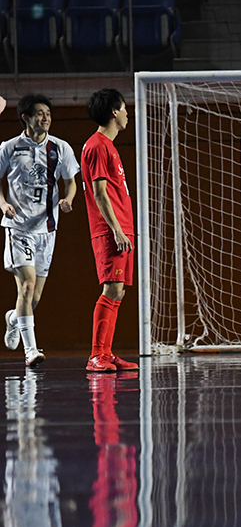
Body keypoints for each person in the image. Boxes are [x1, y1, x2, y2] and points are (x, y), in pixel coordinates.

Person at [0, 94, 80, 367]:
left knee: (32, 299)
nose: (45, 118)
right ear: (26, 118)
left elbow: (71, 182)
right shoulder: (10, 147)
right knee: (27, 285)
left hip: (47, 228)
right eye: (39, 113)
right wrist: (3, 204)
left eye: (48, 113)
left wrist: (69, 199)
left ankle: (13, 319)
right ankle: (31, 351)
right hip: (19, 227)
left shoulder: (60, 147)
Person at [81, 88, 138, 372]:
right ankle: (96, 355)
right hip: (110, 230)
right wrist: (115, 229)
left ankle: (105, 352)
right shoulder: (97, 145)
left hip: (122, 229)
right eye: (125, 108)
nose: (128, 113)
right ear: (114, 111)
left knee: (118, 291)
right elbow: (100, 193)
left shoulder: (108, 146)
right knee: (111, 287)